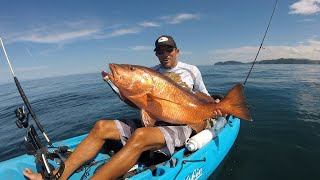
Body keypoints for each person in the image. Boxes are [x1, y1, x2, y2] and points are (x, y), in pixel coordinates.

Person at [22, 35, 223, 180]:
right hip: (157, 123)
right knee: (101, 126)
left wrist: (214, 106)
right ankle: (58, 175)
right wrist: (115, 85)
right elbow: (135, 102)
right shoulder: (150, 73)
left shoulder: (191, 70)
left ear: (177, 51)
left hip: (183, 124)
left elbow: (202, 95)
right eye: (159, 51)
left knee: (141, 136)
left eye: (169, 49)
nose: (164, 54)